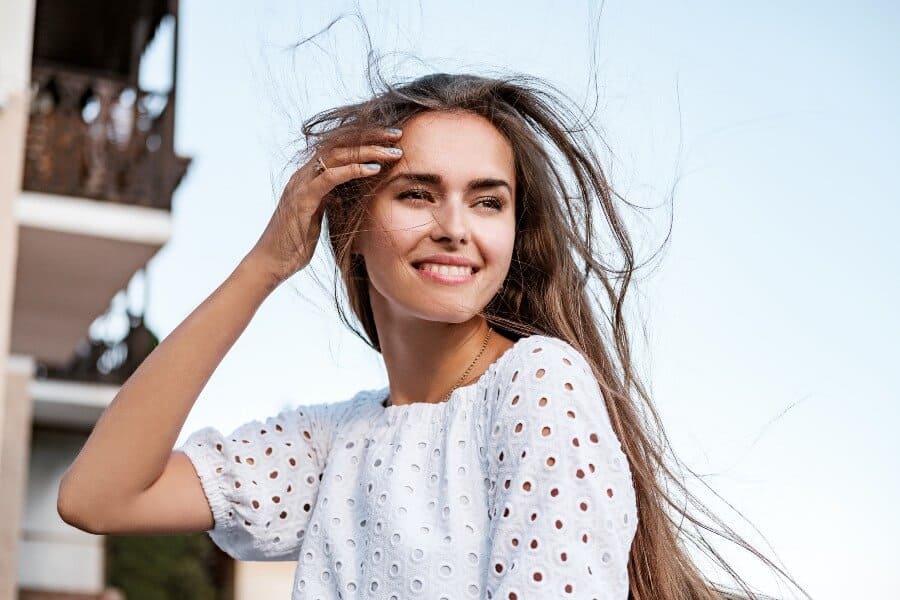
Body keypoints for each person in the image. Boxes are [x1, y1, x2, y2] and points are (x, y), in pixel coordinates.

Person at [57, 73, 808, 600]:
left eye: (488, 202)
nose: (454, 228)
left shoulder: (538, 384)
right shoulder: (332, 442)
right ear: (348, 224)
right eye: (417, 193)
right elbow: (98, 498)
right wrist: (263, 266)